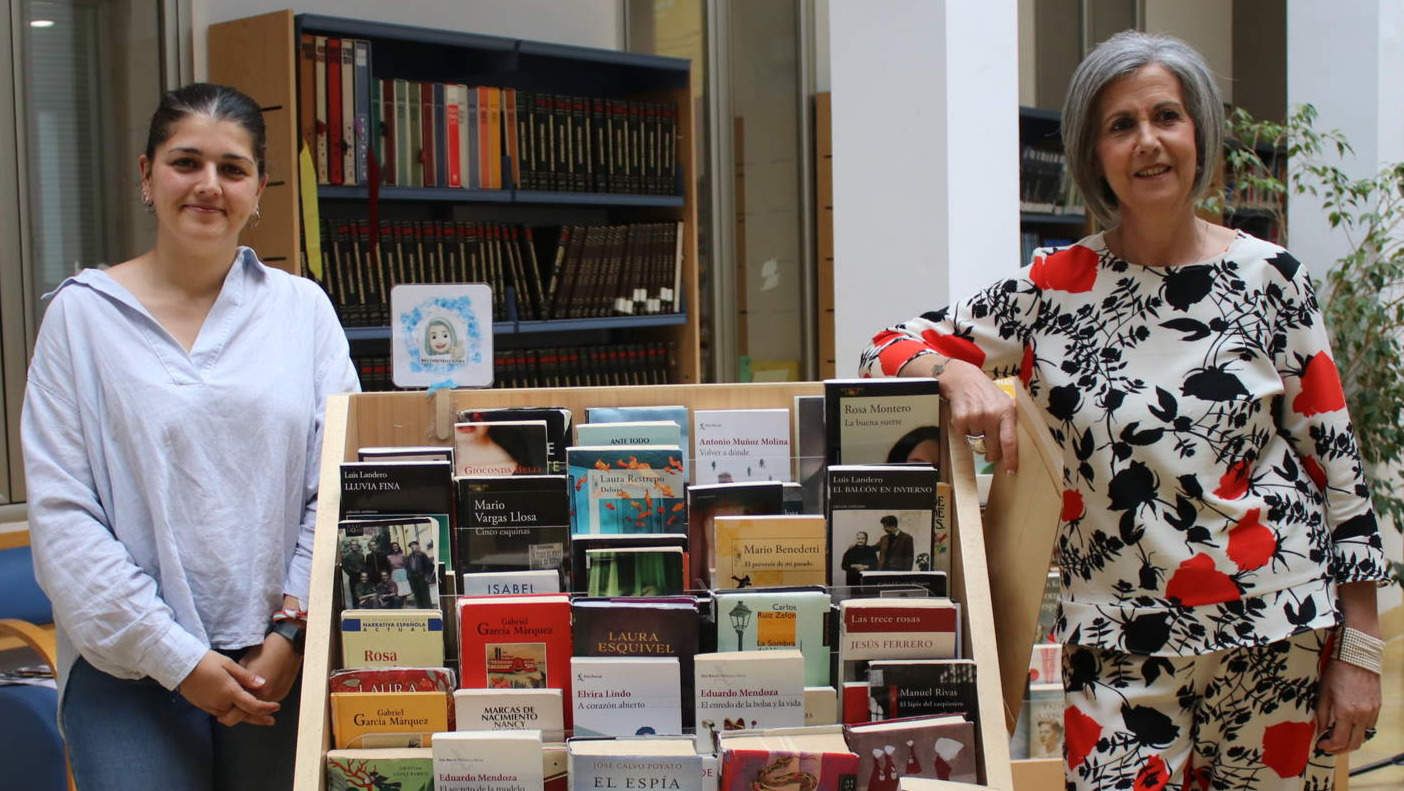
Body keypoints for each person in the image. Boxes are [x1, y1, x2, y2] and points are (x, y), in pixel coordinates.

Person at [860, 31, 1387, 789]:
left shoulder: (1274, 279)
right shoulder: (1054, 286)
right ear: (1093, 153)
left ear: (1198, 131)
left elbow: (1339, 473)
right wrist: (955, 374)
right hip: (1115, 639)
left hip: (1278, 624)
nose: (1148, 142)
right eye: (1121, 125)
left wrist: (1361, 654)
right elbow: (885, 345)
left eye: (1166, 116)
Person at [21, 83, 359, 790]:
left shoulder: (304, 314)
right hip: (129, 666)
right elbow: (64, 518)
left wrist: (290, 637)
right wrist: (180, 659)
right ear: (145, 174)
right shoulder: (82, 319)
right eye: (186, 162)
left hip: (277, 662)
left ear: (259, 188)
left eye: (232, 169)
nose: (209, 185)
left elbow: (336, 484)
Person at [404, 540, 435, 609]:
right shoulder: (409, 557)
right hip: (414, 579)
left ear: (417, 546)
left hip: (422, 577)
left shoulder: (422, 555)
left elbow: (428, 566)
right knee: (417, 595)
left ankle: (428, 610)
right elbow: (408, 567)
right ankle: (421, 610)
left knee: (425, 595)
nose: (412, 547)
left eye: (414, 545)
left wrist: (427, 576)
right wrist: (409, 577)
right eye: (411, 546)